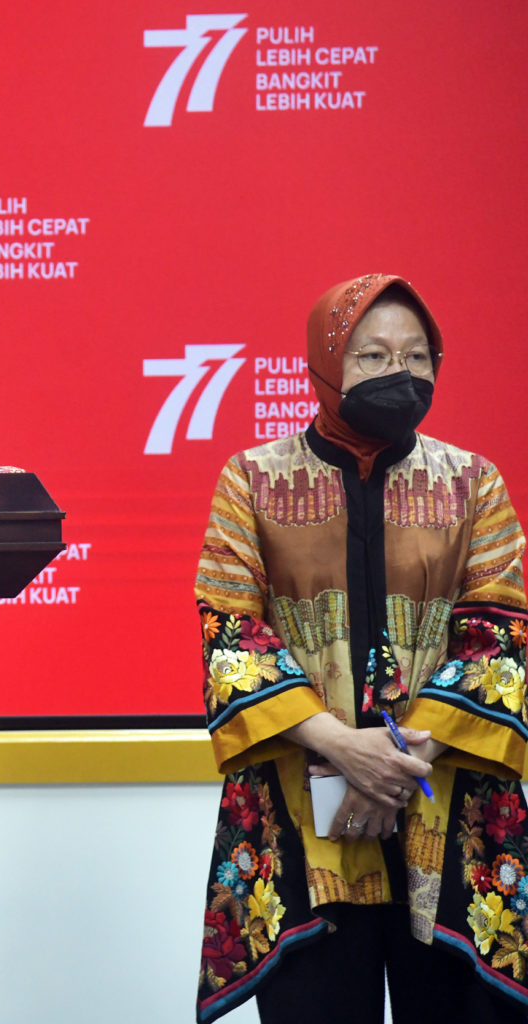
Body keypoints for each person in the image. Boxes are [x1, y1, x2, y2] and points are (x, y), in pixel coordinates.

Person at [193, 274, 528, 1023]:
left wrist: (399, 763)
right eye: (372, 356)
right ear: (324, 365)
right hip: (297, 811)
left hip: (452, 805)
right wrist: (345, 749)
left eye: (416, 356)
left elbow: (499, 640)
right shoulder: (251, 481)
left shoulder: (474, 484)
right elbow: (230, 635)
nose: (398, 374)